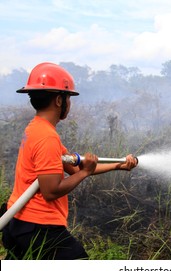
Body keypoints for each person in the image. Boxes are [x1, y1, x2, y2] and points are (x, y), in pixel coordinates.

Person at [1, 62, 138, 260]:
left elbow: (76, 167)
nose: (70, 105)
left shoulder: (36, 128)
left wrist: (119, 165)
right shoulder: (47, 137)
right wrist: (85, 173)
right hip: (39, 228)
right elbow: (51, 191)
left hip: (18, 221)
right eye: (68, 98)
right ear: (59, 100)